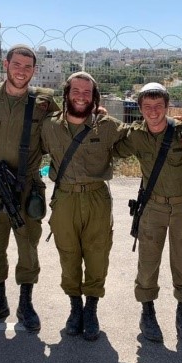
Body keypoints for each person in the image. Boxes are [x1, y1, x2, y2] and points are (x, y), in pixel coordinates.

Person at [114, 82, 182, 343]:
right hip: (152, 207)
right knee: (147, 262)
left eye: (159, 106)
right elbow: (113, 148)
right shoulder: (136, 136)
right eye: (147, 107)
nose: (153, 112)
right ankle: (147, 312)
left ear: (168, 107)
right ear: (140, 109)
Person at [0, 45, 58, 332]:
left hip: (28, 185)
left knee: (28, 246)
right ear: (6, 64)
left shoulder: (44, 102)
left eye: (28, 67)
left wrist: (96, 109)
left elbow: (66, 125)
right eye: (17, 65)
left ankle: (25, 303)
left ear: (34, 71)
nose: (21, 71)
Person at [40, 71, 127, 341]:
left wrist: (174, 126)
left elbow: (140, 136)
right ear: (66, 94)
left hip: (96, 198)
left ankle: (91, 309)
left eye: (87, 93)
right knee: (68, 254)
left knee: (97, 255)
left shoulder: (107, 126)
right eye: (76, 91)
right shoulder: (49, 126)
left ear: (95, 97)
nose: (81, 96)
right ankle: (74, 307)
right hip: (64, 198)